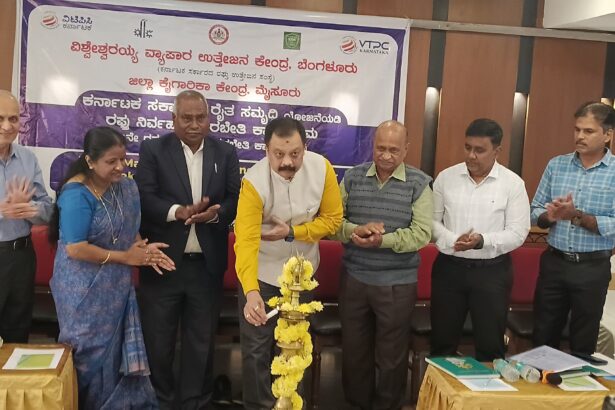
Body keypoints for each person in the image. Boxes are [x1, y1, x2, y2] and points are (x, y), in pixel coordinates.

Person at [49, 126, 174, 409]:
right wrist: (126, 258)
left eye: (123, 159)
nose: (120, 166)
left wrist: (142, 250)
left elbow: (128, 230)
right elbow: (75, 248)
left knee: (117, 353)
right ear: (90, 161)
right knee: (87, 354)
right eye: (111, 161)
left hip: (116, 286)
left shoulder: (126, 188)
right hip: (81, 291)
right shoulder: (76, 194)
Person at [135, 90, 240, 409]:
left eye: (201, 118)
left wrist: (216, 213)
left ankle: (196, 402)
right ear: (174, 119)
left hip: (205, 267)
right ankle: (160, 402)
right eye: (187, 118)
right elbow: (143, 196)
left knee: (201, 344)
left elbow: (235, 199)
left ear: (209, 119)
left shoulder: (226, 152)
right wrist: (176, 211)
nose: (195, 124)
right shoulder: (153, 150)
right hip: (162, 263)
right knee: (158, 343)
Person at [234, 117, 342, 409]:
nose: (287, 162)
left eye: (295, 153)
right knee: (256, 350)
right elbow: (245, 240)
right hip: (263, 276)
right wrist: (251, 292)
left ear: (305, 147)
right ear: (266, 150)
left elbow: (333, 219)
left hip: (302, 276)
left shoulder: (322, 169)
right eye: (278, 154)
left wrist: (294, 232)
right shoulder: (254, 182)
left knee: (296, 348)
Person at [333, 120, 432, 409]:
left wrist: (382, 241)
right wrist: (356, 231)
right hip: (354, 279)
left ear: (406, 149)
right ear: (372, 146)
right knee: (354, 352)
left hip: (397, 284)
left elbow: (421, 234)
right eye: (380, 148)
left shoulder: (419, 183)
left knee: (391, 356)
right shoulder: (352, 177)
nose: (386, 155)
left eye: (393, 150)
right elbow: (332, 222)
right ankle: (357, 404)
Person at [431, 118, 530, 361]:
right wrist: (454, 239)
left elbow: (518, 232)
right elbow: (431, 222)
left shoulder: (513, 184)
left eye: (479, 150)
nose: (471, 155)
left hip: (492, 273)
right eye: (467, 148)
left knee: (490, 347)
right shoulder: (446, 178)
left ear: (497, 151)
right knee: (442, 343)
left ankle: (487, 387)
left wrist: (482, 240)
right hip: (449, 270)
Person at [531, 102, 615, 356]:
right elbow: (534, 210)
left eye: (588, 131)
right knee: (543, 335)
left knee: (583, 340)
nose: (579, 136)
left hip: (592, 268)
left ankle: (579, 383)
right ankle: (541, 381)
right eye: (577, 129)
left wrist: (575, 216)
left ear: (608, 135)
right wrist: (550, 216)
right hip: (554, 263)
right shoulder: (556, 165)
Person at [0, 90, 52, 343]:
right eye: (0, 119)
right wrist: (3, 210)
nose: (7, 126)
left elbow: (47, 209)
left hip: (21, 257)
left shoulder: (28, 158)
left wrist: (32, 210)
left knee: (17, 332)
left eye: (13, 119)